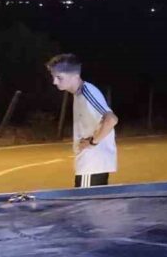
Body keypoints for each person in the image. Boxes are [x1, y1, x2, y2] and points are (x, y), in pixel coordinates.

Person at [46, 54, 119, 187]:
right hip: (92, 165)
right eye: (53, 77)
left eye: (59, 77)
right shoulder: (80, 93)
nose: (54, 82)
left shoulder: (87, 92)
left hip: (91, 165)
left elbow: (111, 119)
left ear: (75, 76)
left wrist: (92, 142)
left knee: (86, 200)